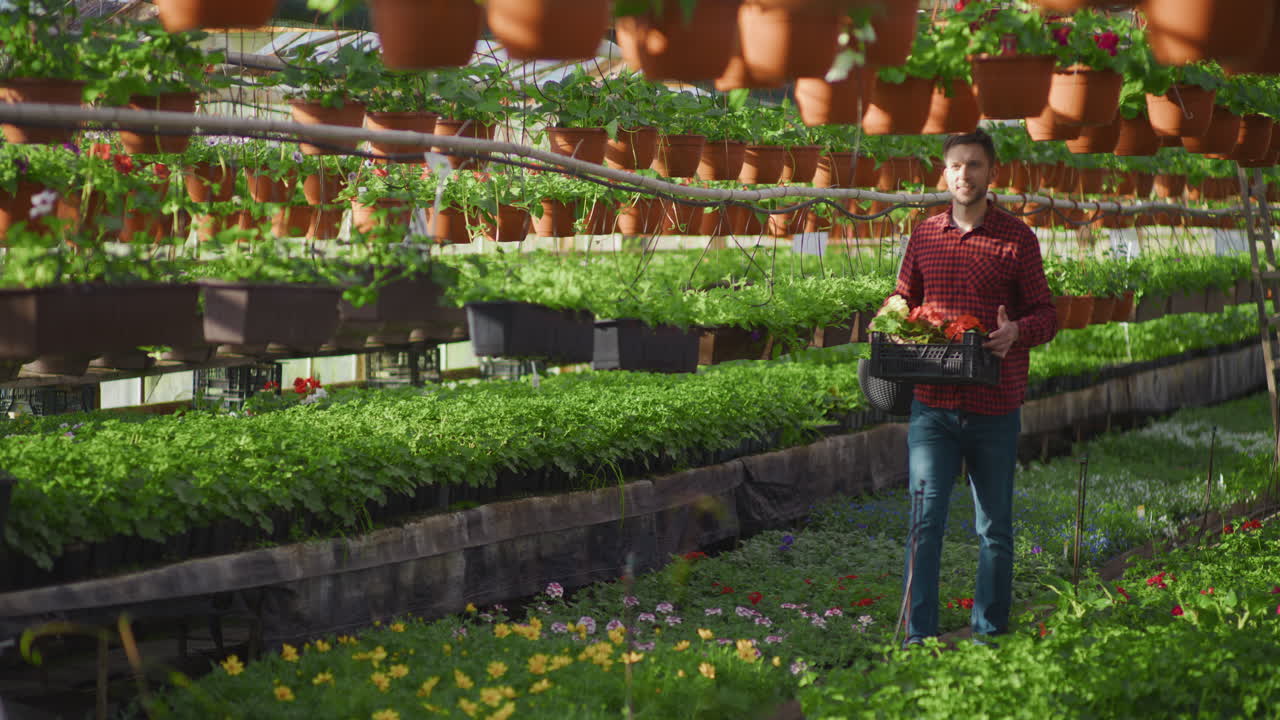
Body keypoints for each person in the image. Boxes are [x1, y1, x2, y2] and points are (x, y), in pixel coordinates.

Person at [894, 128, 1058, 646]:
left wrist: (1017, 332)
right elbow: (902, 297)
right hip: (933, 407)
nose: (964, 174)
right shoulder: (924, 235)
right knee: (925, 525)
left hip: (994, 404)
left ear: (992, 172)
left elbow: (1047, 315)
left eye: (974, 165)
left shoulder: (1017, 239)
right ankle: (918, 639)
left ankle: (989, 635)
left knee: (994, 529)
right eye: (955, 166)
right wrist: (889, 319)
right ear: (944, 173)